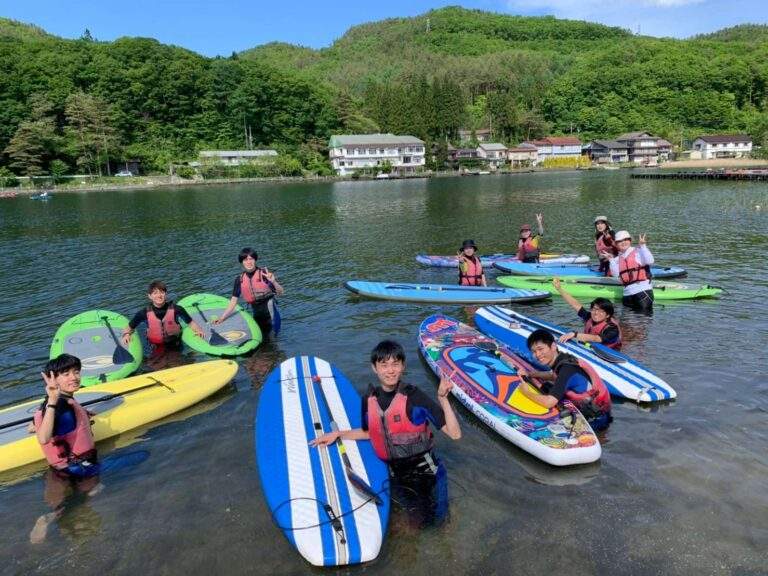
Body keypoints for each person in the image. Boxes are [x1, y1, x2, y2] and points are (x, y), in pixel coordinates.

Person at [310, 340, 461, 526]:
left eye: (395, 364)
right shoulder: (369, 399)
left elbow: (454, 434)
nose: (390, 370)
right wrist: (339, 434)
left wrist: (443, 399)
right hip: (394, 472)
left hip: (425, 473)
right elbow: (370, 432)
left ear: (403, 366)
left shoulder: (414, 396)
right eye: (384, 365)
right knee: (397, 521)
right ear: (374, 368)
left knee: (431, 524)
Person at [517, 329, 612, 431]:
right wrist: (531, 374)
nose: (537, 355)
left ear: (553, 346)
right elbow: (553, 375)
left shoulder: (567, 369)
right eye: (534, 351)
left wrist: (526, 392)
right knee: (546, 387)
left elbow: (549, 402)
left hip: (595, 418)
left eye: (540, 349)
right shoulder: (564, 359)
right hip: (592, 408)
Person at [33, 354, 100, 478]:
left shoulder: (50, 403)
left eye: (76, 372)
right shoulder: (61, 406)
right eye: (66, 374)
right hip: (81, 469)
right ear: (53, 379)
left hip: (62, 469)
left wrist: (81, 413)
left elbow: (32, 426)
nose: (74, 377)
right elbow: (43, 439)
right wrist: (54, 402)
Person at [215, 247, 284, 335]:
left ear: (255, 260)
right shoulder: (239, 279)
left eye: (251, 259)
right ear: (242, 262)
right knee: (261, 341)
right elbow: (233, 301)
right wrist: (222, 318)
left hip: (272, 317)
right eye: (245, 259)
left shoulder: (264, 275)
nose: (249, 262)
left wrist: (273, 282)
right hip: (257, 317)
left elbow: (281, 292)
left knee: (273, 341)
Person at [121, 280, 203, 348]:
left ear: (165, 294)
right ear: (150, 296)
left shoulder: (177, 309)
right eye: (155, 293)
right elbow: (129, 328)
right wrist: (126, 334)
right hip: (155, 346)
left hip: (175, 344)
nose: (159, 295)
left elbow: (191, 323)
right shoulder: (143, 313)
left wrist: (198, 330)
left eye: (162, 292)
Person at [552, 277, 622, 350]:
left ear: (607, 315)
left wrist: (574, 334)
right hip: (591, 349)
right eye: (594, 309)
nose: (596, 313)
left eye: (601, 311)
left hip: (610, 355)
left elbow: (596, 339)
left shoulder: (612, 329)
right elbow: (575, 305)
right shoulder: (590, 317)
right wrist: (559, 288)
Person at [604, 230, 654, 314]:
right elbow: (616, 274)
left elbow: (650, 261)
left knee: (642, 321)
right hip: (627, 294)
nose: (623, 242)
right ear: (616, 244)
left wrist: (643, 246)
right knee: (626, 324)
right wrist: (611, 260)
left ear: (630, 241)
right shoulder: (617, 259)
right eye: (619, 241)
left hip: (642, 292)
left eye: (626, 239)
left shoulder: (638, 251)